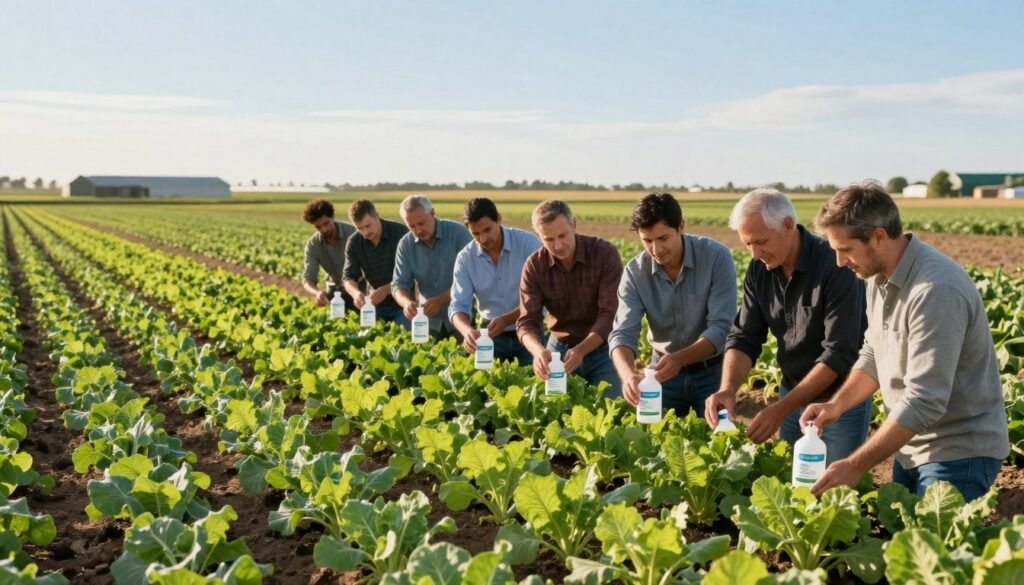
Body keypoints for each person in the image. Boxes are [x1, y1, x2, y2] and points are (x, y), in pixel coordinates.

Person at [802, 180, 1008, 500]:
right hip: (909, 445)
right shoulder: (877, 277)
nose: (840, 262)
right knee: (905, 542)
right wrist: (835, 405)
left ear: (879, 237)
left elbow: (926, 399)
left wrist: (855, 465)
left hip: (957, 453)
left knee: (938, 547)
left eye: (845, 250)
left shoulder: (935, 289)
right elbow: (874, 353)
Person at [705, 188, 869, 465]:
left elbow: (839, 352)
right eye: (748, 244)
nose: (755, 253)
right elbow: (744, 336)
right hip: (791, 398)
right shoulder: (759, 269)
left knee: (835, 489)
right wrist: (728, 388)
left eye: (761, 241)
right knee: (796, 488)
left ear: (788, 225)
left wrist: (780, 410)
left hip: (839, 403)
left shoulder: (835, 266)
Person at [609, 193, 737, 417]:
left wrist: (680, 358)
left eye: (663, 238)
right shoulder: (634, 272)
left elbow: (722, 327)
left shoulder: (716, 257)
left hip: (712, 372)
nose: (656, 250)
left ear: (681, 227)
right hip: (661, 374)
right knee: (659, 445)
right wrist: (628, 375)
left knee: (715, 443)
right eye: (647, 241)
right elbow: (622, 333)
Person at [517, 200, 623, 398]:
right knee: (554, 411)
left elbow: (610, 314)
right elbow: (527, 321)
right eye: (548, 239)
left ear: (574, 224)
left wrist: (581, 350)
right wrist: (538, 351)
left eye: (563, 235)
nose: (558, 245)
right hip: (558, 348)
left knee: (611, 408)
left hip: (603, 347)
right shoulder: (534, 266)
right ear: (538, 235)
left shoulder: (603, 253)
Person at [450, 197, 541, 364]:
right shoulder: (465, 258)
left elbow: (542, 296)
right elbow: (458, 305)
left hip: (530, 331)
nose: (483, 239)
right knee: (481, 385)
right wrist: (467, 331)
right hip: (489, 336)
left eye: (487, 230)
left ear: (499, 219)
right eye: (476, 234)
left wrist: (507, 319)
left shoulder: (528, 244)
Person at [392, 194, 472, 340]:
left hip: (463, 318)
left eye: (421, 223)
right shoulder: (405, 245)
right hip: (427, 321)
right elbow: (399, 284)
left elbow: (472, 279)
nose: (418, 230)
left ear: (433, 213)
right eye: (411, 226)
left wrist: (440, 300)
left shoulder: (459, 234)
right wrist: (406, 302)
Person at [341, 199, 410, 327]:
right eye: (360, 228)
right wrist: (356, 293)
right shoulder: (354, 242)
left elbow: (414, 273)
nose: (365, 232)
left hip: (405, 305)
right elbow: (348, 277)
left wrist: (389, 288)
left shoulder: (401, 233)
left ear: (377, 216)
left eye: (368, 226)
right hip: (374, 305)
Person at [301, 199, 358, 309]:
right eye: (318, 227)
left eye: (326, 223)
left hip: (360, 288)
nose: (324, 229)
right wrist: (317, 292)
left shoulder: (354, 234)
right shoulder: (313, 244)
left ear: (332, 217)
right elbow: (308, 278)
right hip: (336, 289)